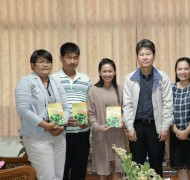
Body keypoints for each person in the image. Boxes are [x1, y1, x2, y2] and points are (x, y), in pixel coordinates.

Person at [15, 49, 70, 180]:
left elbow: (66, 107)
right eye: (41, 62)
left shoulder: (56, 81)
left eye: (48, 62)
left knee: (58, 175)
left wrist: (62, 125)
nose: (45, 65)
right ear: (32, 65)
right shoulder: (26, 82)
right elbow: (23, 109)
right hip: (37, 137)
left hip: (58, 135)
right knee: (47, 176)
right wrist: (45, 125)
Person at [123, 39, 173, 176]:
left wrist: (164, 127)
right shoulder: (130, 79)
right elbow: (127, 105)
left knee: (156, 165)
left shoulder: (163, 77)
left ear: (154, 55)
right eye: (142, 54)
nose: (145, 57)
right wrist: (130, 127)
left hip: (156, 128)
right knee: (137, 166)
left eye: (148, 54)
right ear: (137, 57)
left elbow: (168, 104)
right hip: (137, 127)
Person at [52, 42, 91, 180]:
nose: (72, 61)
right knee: (61, 172)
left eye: (75, 57)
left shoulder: (86, 79)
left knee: (79, 172)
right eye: (69, 57)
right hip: (61, 134)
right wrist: (64, 121)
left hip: (82, 133)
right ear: (61, 58)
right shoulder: (53, 79)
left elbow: (89, 105)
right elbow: (51, 104)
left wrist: (86, 122)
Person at [87, 58, 126, 180]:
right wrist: (98, 126)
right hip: (101, 135)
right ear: (99, 72)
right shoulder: (93, 90)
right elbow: (90, 114)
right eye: (104, 71)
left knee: (117, 168)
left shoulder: (120, 89)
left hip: (118, 134)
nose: (107, 74)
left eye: (110, 71)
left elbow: (126, 110)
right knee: (102, 170)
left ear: (114, 72)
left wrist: (123, 122)